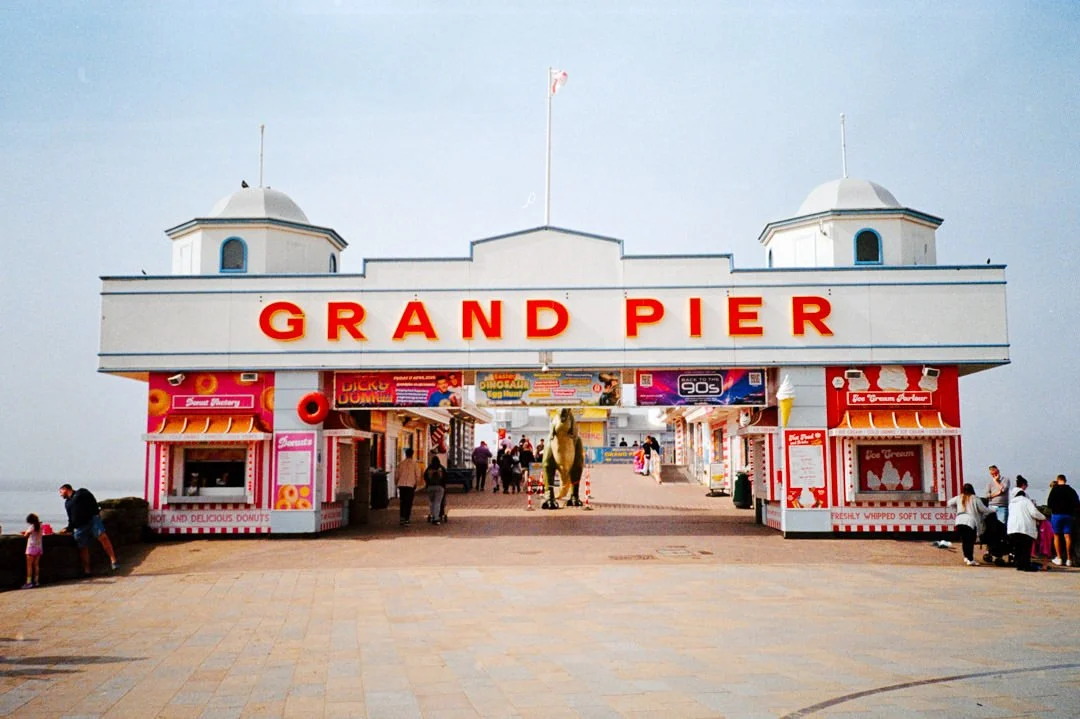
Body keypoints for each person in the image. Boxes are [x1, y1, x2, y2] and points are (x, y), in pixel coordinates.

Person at [58, 484, 119, 575]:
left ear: (66, 489)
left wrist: (96, 514)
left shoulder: (81, 493)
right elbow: (71, 517)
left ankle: (113, 560)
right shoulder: (67, 503)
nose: (60, 494)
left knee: (103, 537)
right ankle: (87, 570)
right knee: (82, 546)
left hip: (92, 520)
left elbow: (93, 501)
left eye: (61, 492)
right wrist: (69, 528)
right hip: (80, 526)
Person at [1007, 476, 1047, 572]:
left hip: (1013, 528)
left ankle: (1019, 565)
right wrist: (1043, 517)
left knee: (1018, 548)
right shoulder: (1026, 501)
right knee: (1025, 548)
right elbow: (1034, 513)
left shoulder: (1012, 503)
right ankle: (1026, 565)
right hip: (1025, 528)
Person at [946, 484, 993, 566]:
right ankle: (970, 559)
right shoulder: (975, 498)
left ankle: (966, 557)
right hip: (970, 521)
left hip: (959, 521)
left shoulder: (959, 497)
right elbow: (983, 509)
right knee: (970, 541)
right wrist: (992, 511)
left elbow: (949, 503)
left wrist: (956, 509)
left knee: (964, 541)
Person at [1046, 474, 1079, 567]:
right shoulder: (1071, 491)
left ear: (1058, 480)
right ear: (1065, 480)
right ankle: (1069, 559)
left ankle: (1059, 558)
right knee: (1067, 536)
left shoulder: (1054, 490)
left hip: (1056, 515)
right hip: (1068, 515)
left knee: (1056, 536)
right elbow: (1077, 503)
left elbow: (1049, 504)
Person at [395, 448, 422, 526]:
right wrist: (416, 484)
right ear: (412, 454)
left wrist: (396, 483)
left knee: (402, 502)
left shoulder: (401, 464)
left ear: (406, 454)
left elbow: (396, 475)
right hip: (410, 486)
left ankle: (402, 518)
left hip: (402, 485)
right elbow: (418, 475)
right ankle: (407, 519)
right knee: (409, 502)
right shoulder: (415, 464)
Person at [21, 513, 43, 588]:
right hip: (39, 547)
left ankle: (29, 582)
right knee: (36, 565)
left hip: (31, 547)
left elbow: (26, 535)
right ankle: (36, 581)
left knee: (29, 566)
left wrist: (25, 533)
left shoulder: (31, 526)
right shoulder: (40, 526)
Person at [424, 455, 447, 524]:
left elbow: (425, 477)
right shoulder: (441, 468)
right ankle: (436, 518)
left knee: (431, 502)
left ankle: (432, 515)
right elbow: (445, 478)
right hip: (439, 487)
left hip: (430, 487)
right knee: (437, 503)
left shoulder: (429, 468)